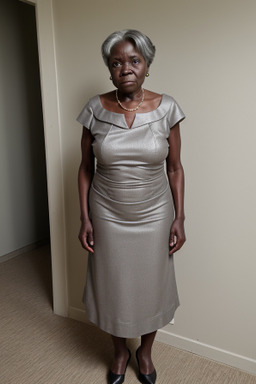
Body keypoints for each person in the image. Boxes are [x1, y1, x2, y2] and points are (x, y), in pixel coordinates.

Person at [77, 29, 186, 384]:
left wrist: (179, 218)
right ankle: (121, 351)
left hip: (155, 212)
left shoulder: (168, 107)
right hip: (106, 212)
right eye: (117, 62)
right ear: (110, 70)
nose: (126, 68)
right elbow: (84, 167)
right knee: (112, 284)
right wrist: (85, 218)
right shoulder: (95, 108)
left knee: (152, 284)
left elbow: (175, 167)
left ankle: (145, 352)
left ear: (147, 66)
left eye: (134, 61)